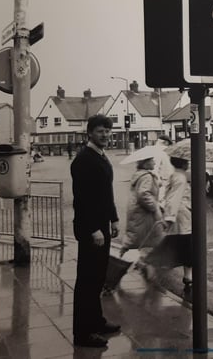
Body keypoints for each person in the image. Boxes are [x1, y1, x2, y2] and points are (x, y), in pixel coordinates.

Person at [70, 115, 121, 348]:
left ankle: (97, 321)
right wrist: (93, 229)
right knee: (87, 281)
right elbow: (83, 200)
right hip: (91, 229)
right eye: (101, 131)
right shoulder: (83, 160)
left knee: (98, 277)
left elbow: (105, 192)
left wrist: (114, 219)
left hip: (103, 226)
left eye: (108, 131)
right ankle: (83, 333)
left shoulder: (100, 156)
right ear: (89, 133)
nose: (106, 135)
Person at [143, 155, 193, 291]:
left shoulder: (177, 175)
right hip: (181, 216)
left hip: (181, 216)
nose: (188, 164)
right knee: (178, 245)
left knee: (181, 245)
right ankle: (148, 262)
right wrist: (169, 217)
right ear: (182, 164)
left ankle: (188, 276)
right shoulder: (181, 178)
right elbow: (174, 198)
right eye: (186, 161)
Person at [119, 157, 165, 259]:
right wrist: (155, 207)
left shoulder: (141, 174)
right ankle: (123, 260)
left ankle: (125, 256)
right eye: (152, 160)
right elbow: (143, 194)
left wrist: (156, 184)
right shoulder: (147, 176)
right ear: (145, 163)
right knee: (144, 238)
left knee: (136, 237)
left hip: (137, 211)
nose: (154, 162)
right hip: (143, 214)